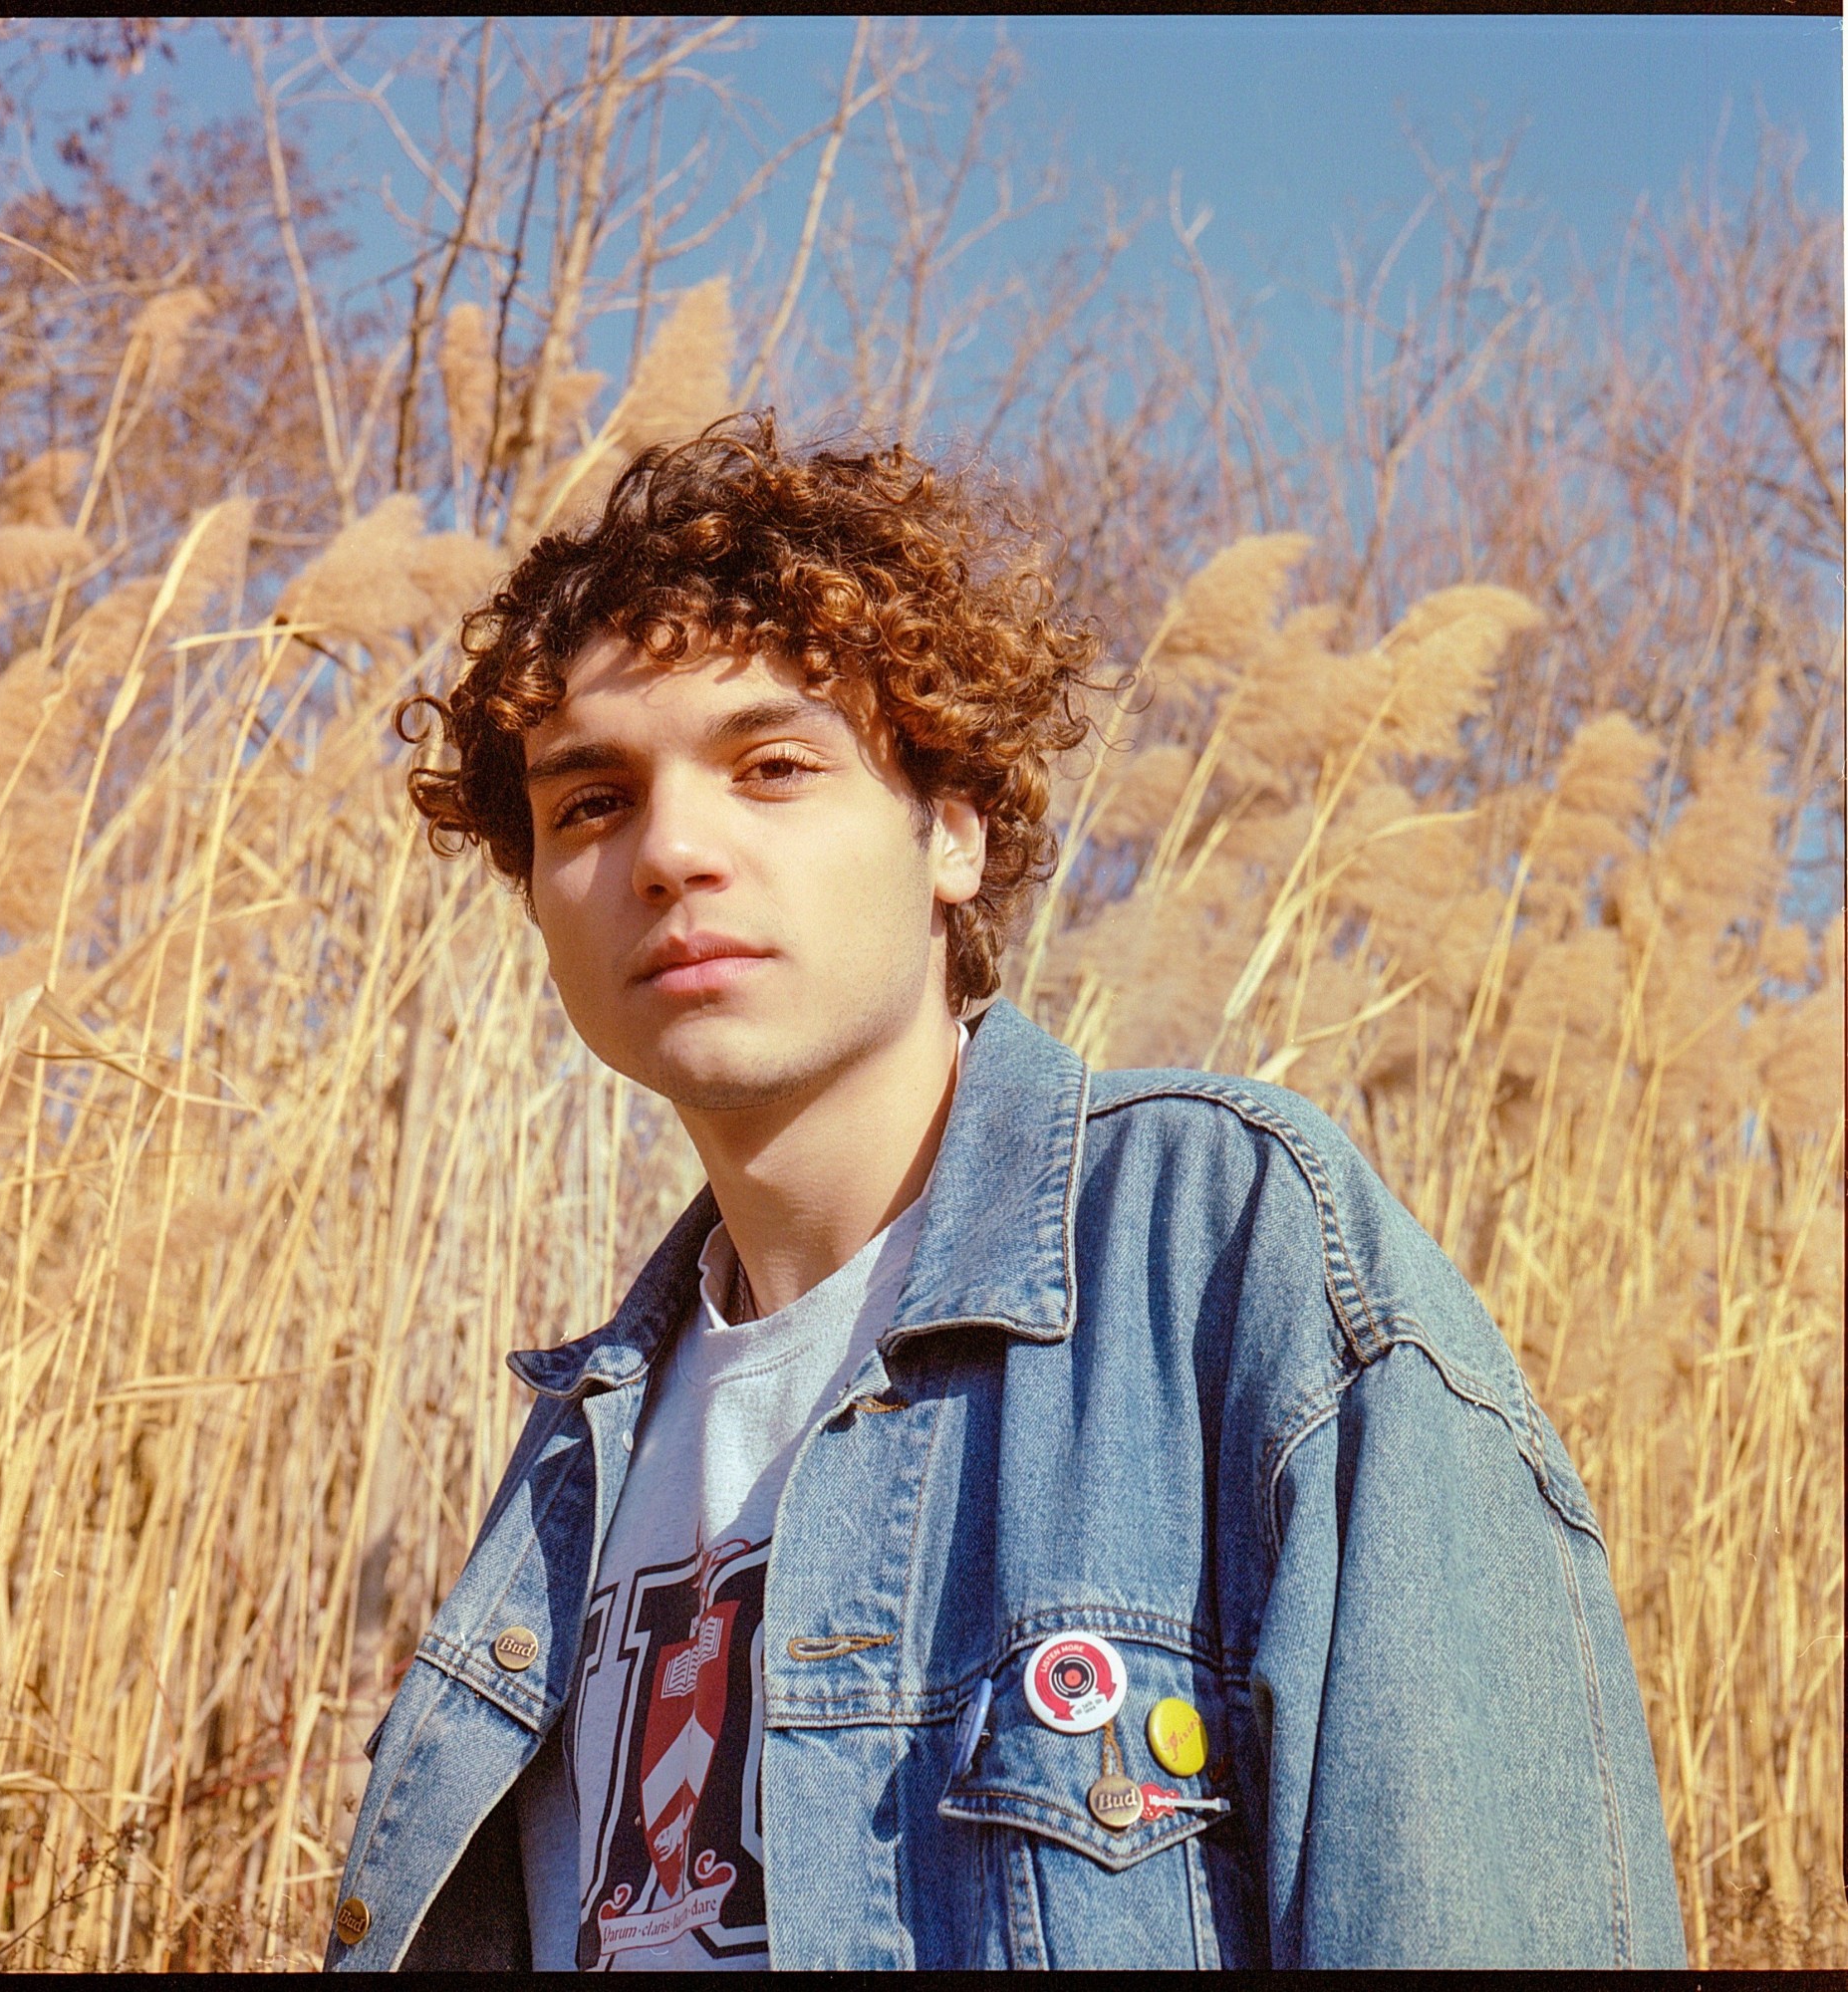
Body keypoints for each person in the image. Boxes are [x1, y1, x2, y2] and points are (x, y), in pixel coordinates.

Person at [324, 414, 1686, 1971]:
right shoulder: (578, 1450)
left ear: (950, 832)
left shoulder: (1226, 1255)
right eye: (588, 802)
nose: (669, 849)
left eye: (772, 766)